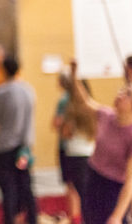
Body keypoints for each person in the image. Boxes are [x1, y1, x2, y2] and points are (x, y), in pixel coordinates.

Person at [70, 60, 132, 224]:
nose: (120, 95)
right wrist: (74, 74)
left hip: (113, 190)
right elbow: (84, 101)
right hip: (92, 178)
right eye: (122, 91)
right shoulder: (106, 115)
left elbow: (131, 180)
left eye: (128, 95)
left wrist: (117, 216)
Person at [0, 55, 38, 224]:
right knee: (26, 187)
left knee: (9, 190)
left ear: (3, 70)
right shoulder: (29, 90)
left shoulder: (2, 92)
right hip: (24, 149)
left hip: (5, 149)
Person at [52, 72, 96, 223]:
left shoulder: (69, 105)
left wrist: (66, 124)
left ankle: (77, 219)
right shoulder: (93, 106)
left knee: (75, 188)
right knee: (86, 191)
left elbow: (65, 131)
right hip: (89, 152)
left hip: (74, 152)